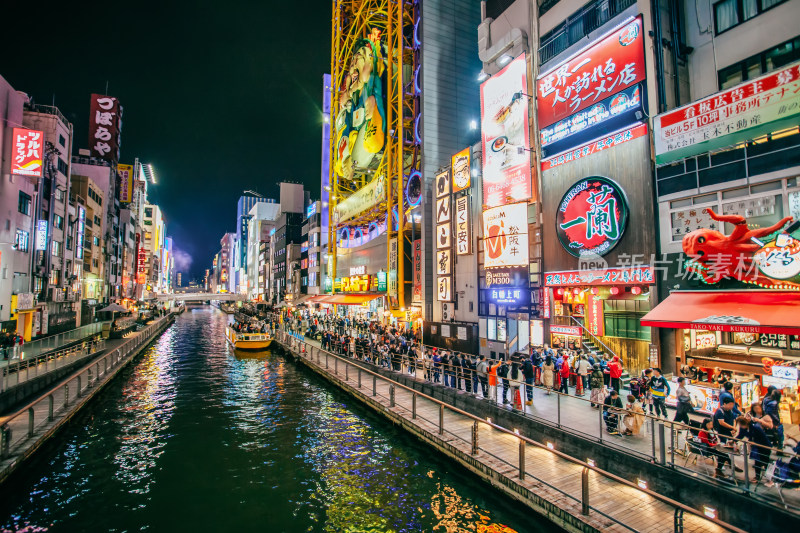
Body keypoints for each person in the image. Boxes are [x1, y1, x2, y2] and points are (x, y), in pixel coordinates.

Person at [735, 416, 773, 484]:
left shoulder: (756, 428)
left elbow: (763, 438)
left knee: (765, 462)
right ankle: (757, 477)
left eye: (740, 425)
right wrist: (733, 440)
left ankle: (769, 478)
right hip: (756, 447)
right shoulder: (743, 428)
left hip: (764, 446)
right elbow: (740, 435)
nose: (740, 426)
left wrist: (754, 443)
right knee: (757, 462)